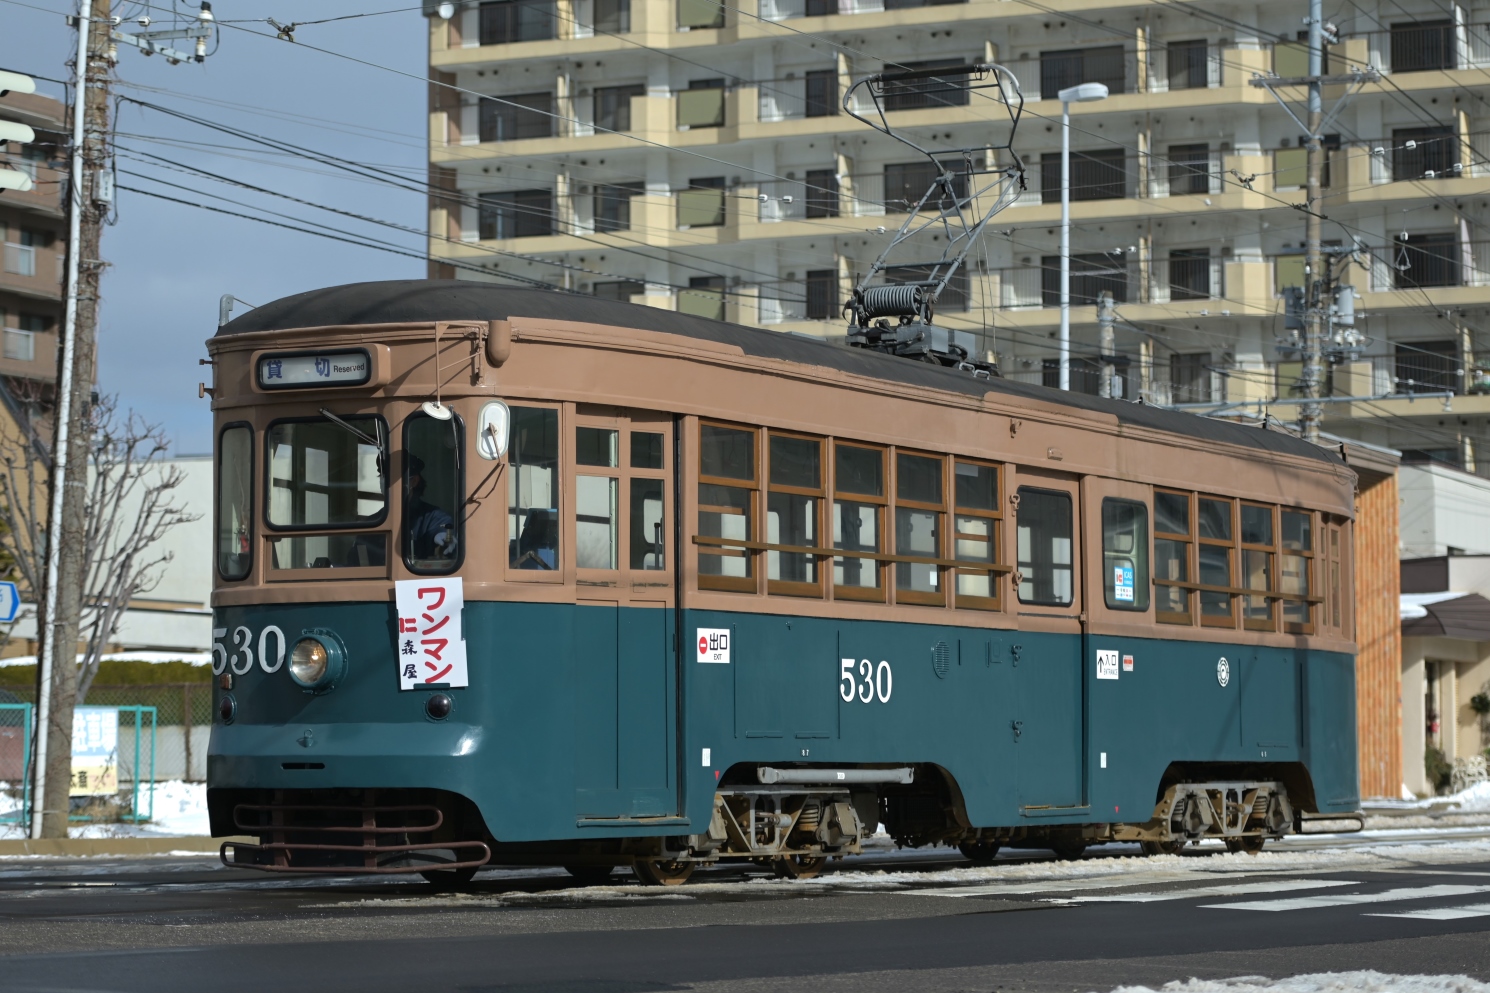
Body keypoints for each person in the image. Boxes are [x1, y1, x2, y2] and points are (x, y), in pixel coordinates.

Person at [406, 454, 456, 562]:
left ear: (414, 481)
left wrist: (442, 536)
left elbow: (441, 528)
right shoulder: (377, 519)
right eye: (384, 478)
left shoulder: (434, 516)